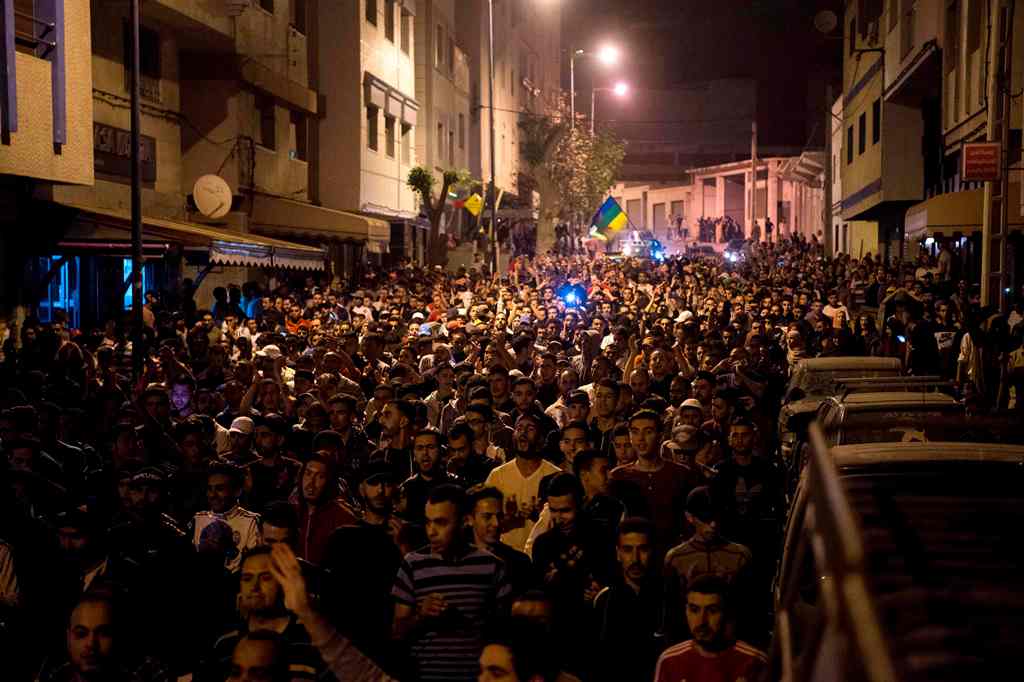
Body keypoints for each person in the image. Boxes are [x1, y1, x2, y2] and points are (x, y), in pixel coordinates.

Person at [391, 485, 511, 682]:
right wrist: (421, 615)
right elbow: (396, 632)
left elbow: (504, 632)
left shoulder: (492, 566)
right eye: (428, 522)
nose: (431, 531)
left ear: (464, 521)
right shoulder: (412, 565)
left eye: (440, 523)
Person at [663, 486, 752, 642]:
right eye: (705, 519)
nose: (713, 525)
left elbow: (750, 610)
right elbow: (671, 614)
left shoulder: (740, 555)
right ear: (689, 517)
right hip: (687, 642)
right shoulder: (676, 558)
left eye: (717, 518)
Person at [609, 410, 697, 555]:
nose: (640, 439)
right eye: (635, 432)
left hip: (673, 553)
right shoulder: (618, 476)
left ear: (660, 436)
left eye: (648, 432)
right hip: (634, 555)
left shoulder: (681, 474)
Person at [653, 575, 767, 682]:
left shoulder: (755, 662)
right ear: (686, 611)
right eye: (694, 610)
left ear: (727, 613)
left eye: (712, 611)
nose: (702, 621)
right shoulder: (669, 661)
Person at [590, 517, 664, 682]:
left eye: (643, 549)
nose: (635, 559)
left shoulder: (667, 598)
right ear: (618, 553)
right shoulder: (604, 600)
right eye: (628, 550)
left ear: (653, 551)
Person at [483, 414, 561, 551]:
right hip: (504, 556)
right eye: (519, 428)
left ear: (541, 439)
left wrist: (541, 517)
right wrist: (508, 519)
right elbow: (484, 521)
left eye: (530, 429)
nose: (523, 433)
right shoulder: (497, 475)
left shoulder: (555, 475)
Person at [466, 485, 536, 596]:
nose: (496, 523)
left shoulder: (520, 563)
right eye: (487, 516)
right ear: (469, 519)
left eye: (499, 516)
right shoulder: (457, 563)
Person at [191, 462, 262, 573]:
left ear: (237, 491)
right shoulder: (197, 520)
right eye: (210, 489)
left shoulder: (252, 522)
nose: (213, 495)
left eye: (219, 489)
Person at [292, 453, 358, 565]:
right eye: (308, 474)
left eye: (320, 476)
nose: (311, 483)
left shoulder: (343, 518)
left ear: (329, 482)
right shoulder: (292, 513)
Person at [399, 429, 455, 524]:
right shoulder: (407, 488)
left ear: (441, 451)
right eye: (420, 448)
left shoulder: (454, 485)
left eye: (431, 447)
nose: (425, 453)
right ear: (414, 454)